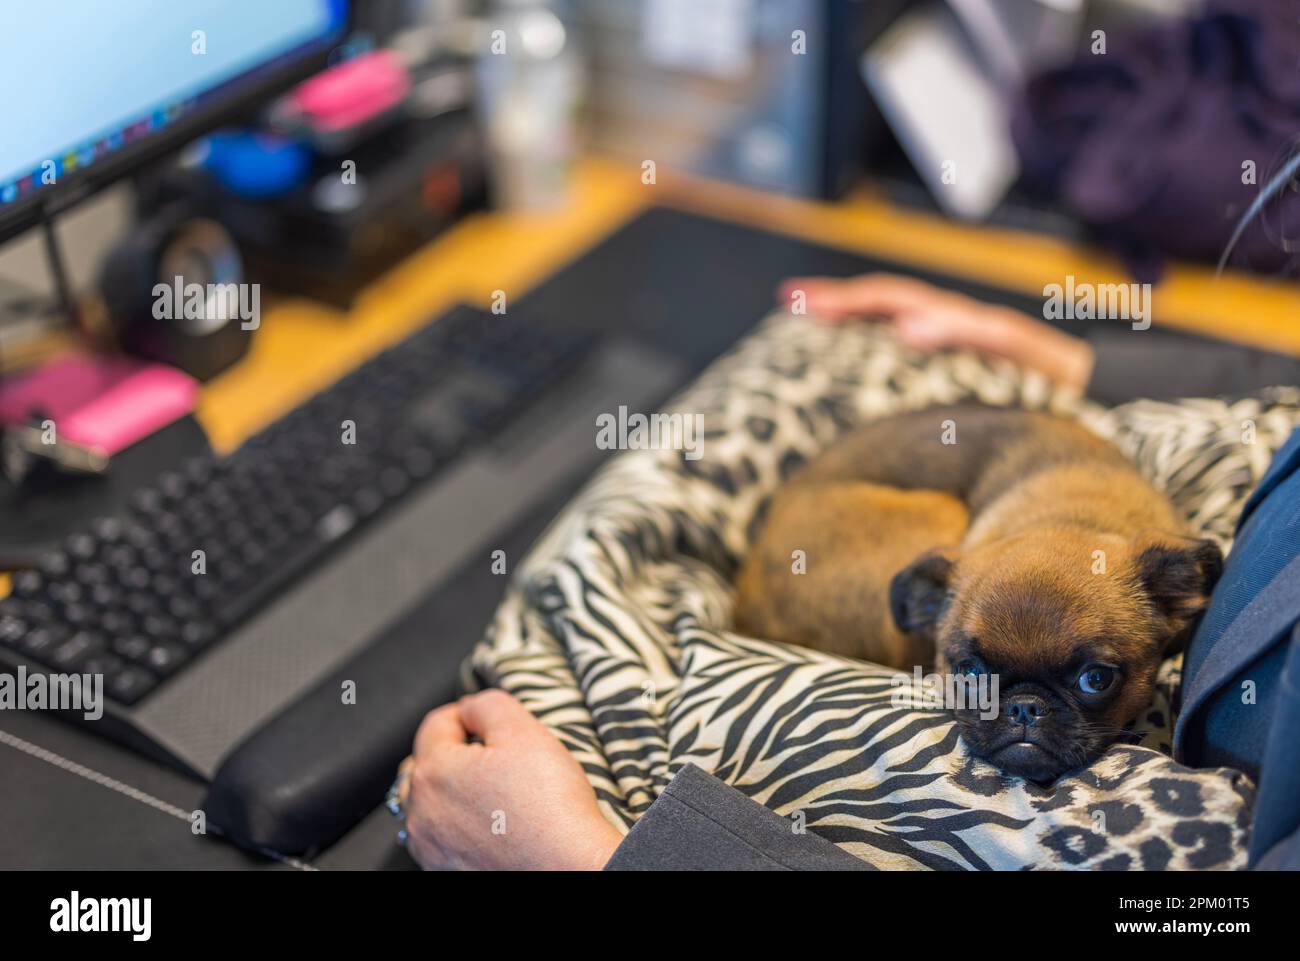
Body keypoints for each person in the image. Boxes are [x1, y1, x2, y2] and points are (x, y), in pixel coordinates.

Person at [391, 274, 1300, 871]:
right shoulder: (974, 560)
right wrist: (1072, 352)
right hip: (848, 521)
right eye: (977, 675)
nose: (1023, 721)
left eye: (1093, 681)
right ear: (931, 602)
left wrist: (597, 860)